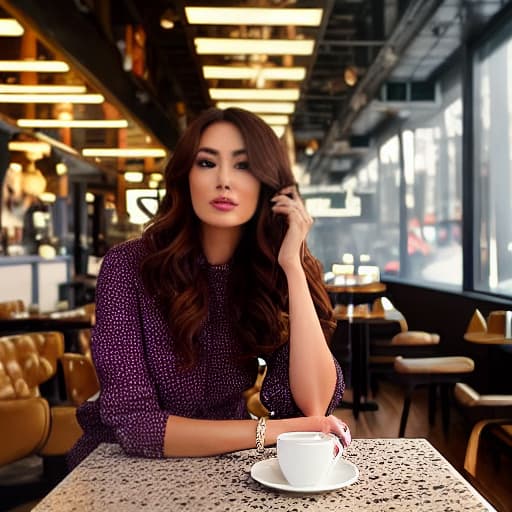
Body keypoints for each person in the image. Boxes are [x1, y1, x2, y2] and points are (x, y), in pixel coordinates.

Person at [68, 107, 350, 468]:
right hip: (122, 468)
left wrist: (292, 267)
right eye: (206, 163)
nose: (224, 180)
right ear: (185, 175)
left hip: (224, 464)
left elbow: (315, 405)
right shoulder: (127, 267)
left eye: (243, 165)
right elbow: (138, 428)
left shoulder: (270, 269)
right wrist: (275, 431)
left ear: (270, 185)